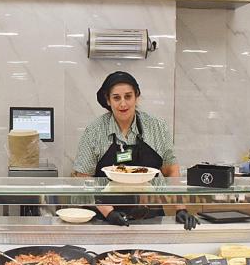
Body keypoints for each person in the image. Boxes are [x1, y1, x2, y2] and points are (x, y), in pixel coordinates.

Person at [73, 71, 198, 230]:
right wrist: (109, 213)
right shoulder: (94, 130)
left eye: (128, 96)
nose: (123, 104)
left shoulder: (157, 127)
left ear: (136, 96)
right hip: (105, 219)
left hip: (150, 217)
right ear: (108, 100)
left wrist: (181, 209)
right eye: (116, 98)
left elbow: (171, 170)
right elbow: (83, 179)